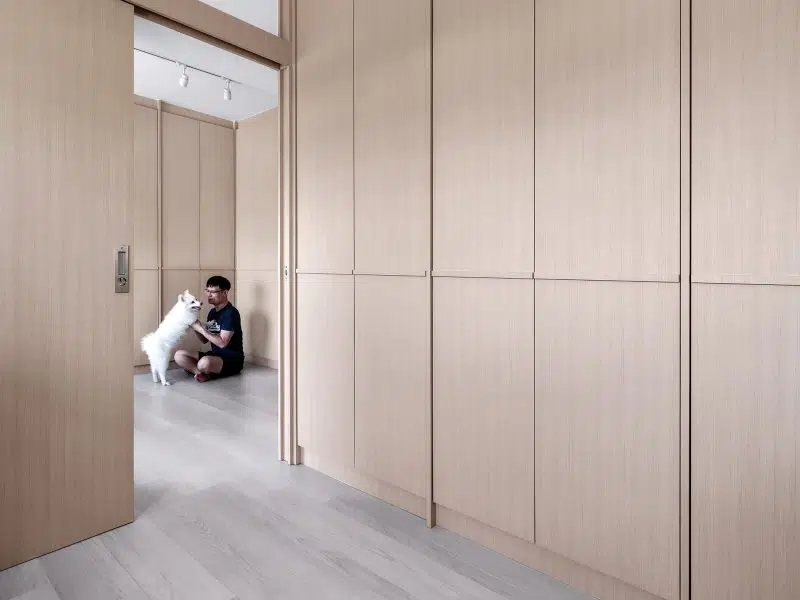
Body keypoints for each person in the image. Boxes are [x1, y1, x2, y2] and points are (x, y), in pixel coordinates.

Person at [174, 275, 245, 383]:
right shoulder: (212, 313)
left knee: (204, 363)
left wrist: (201, 328)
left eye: (213, 292)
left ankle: (202, 370)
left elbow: (222, 343)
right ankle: (200, 373)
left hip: (231, 360)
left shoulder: (231, 313)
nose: (209, 295)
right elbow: (204, 340)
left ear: (224, 292)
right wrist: (194, 325)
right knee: (179, 355)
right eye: (207, 291)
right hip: (215, 355)